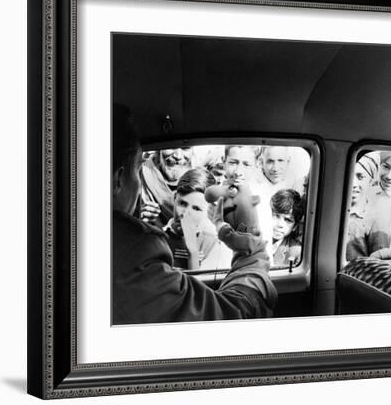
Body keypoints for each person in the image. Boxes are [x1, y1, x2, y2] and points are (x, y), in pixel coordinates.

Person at [112, 105, 277, 324]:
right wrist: (250, 253)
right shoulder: (135, 252)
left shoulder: (211, 238)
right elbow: (232, 319)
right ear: (118, 179)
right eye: (137, 170)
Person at [163, 167, 232, 270]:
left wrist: (193, 253)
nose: (185, 214)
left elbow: (199, 285)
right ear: (174, 198)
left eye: (196, 208)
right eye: (182, 203)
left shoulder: (212, 244)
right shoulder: (158, 237)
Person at [139, 147, 193, 228]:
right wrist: (139, 221)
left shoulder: (197, 179)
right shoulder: (141, 174)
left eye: (185, 148)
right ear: (159, 149)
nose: (178, 156)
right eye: (171, 147)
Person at [345, 154, 381, 261]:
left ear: (371, 181)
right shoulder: (332, 212)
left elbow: (380, 265)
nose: (354, 183)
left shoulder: (374, 219)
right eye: (349, 175)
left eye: (360, 177)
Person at [269, 189, 304, 267]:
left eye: (288, 220)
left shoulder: (296, 251)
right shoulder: (251, 237)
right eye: (276, 215)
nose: (280, 224)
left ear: (294, 226)